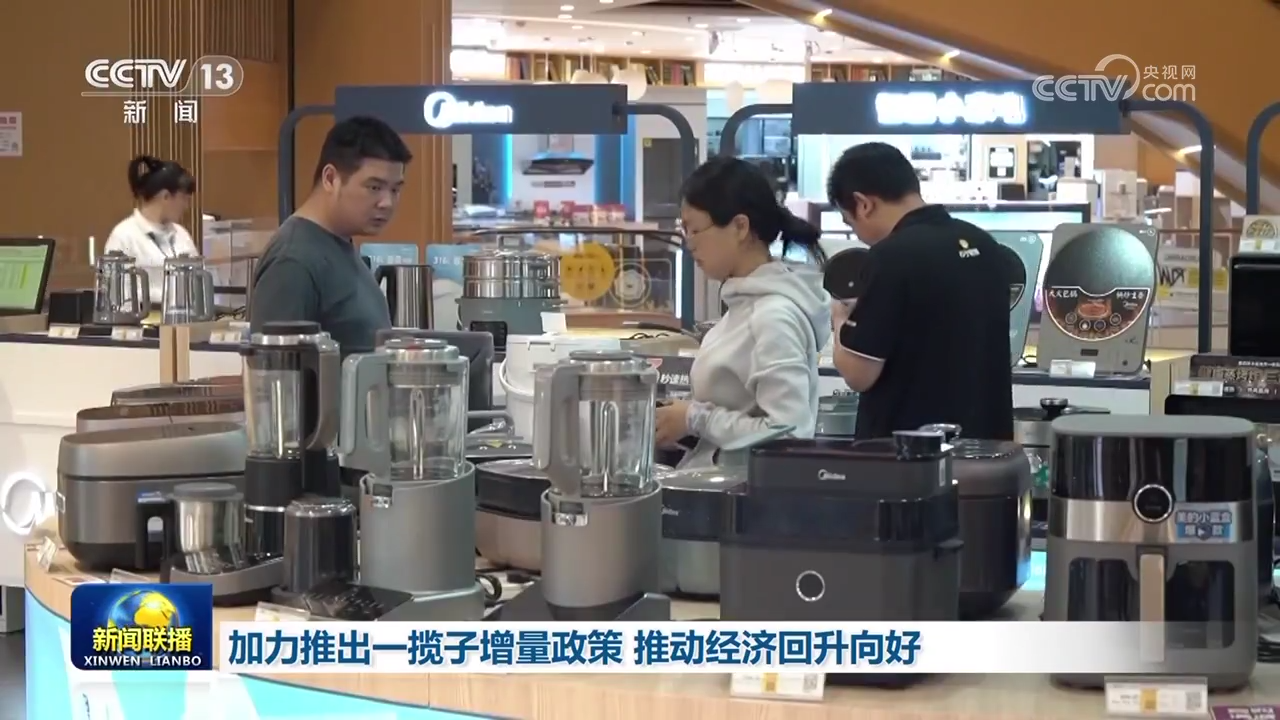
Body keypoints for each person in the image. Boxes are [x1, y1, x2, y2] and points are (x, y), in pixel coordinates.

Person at [826, 142, 1013, 440]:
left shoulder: (891, 257)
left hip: (911, 453)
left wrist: (839, 319)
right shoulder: (983, 243)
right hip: (986, 446)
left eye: (850, 223)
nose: (857, 235)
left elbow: (859, 374)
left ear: (863, 204)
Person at [654, 156, 832, 468]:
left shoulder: (773, 316)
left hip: (747, 494)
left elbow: (789, 432)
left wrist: (696, 418)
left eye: (694, 229)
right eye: (684, 230)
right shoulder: (742, 304)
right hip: (717, 484)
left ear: (740, 226)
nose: (689, 244)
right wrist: (685, 426)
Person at [249, 116, 412, 355]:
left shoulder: (339, 244)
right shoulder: (294, 260)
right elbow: (274, 368)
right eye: (374, 187)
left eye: (395, 189)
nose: (387, 202)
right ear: (330, 179)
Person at [105, 155, 199, 303]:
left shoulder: (182, 235)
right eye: (184, 199)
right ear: (166, 196)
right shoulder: (123, 236)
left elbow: (197, 284)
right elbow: (117, 298)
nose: (186, 207)